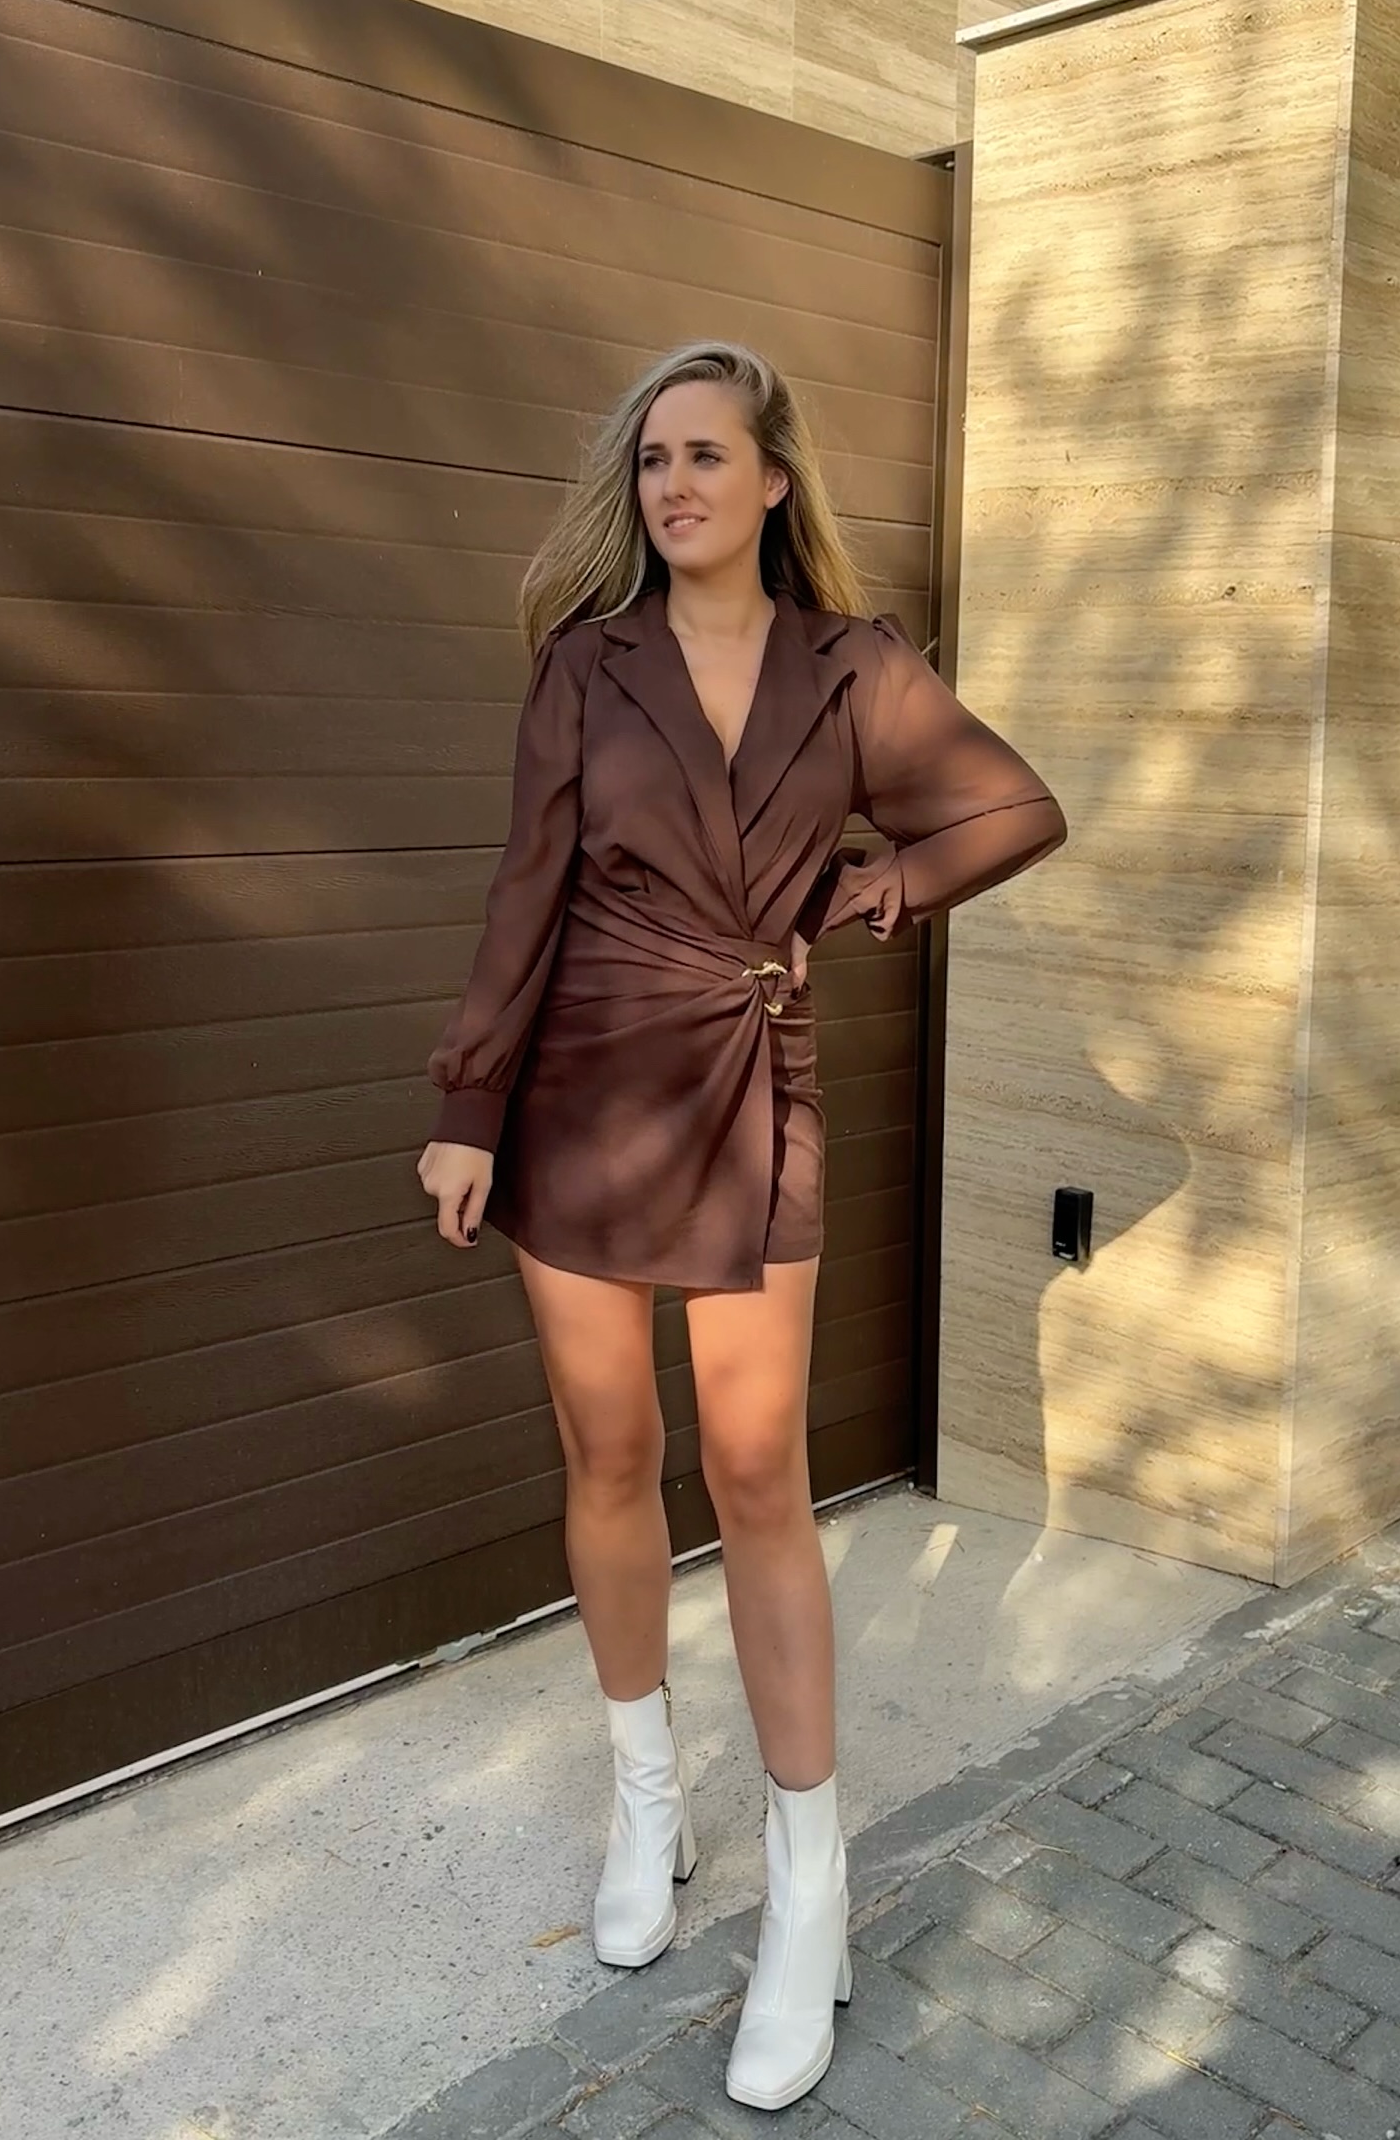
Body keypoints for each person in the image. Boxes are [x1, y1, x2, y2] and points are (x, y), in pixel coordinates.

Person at [416, 338, 1066, 2112]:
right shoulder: (586, 664)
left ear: (776, 480)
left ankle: (811, 1887)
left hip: (754, 1080)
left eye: (707, 454)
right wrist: (469, 1104)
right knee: (611, 1451)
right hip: (575, 1092)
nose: (674, 484)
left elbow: (1017, 806)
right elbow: (524, 893)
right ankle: (648, 1806)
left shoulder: (857, 668)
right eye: (652, 460)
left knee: (761, 1468)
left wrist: (887, 882)